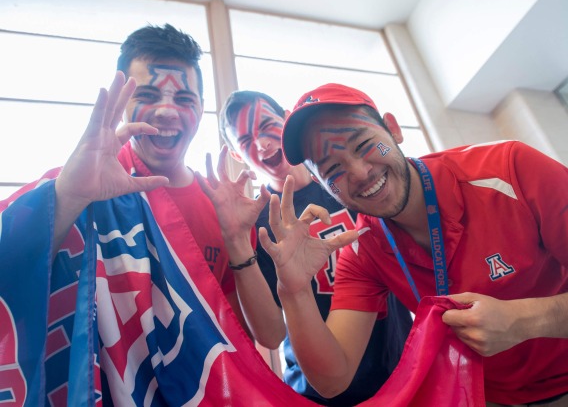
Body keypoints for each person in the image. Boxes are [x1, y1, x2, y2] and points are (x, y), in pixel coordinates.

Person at [0, 24, 316, 406]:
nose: (167, 111)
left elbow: (268, 334)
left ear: (200, 108)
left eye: (184, 98)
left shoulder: (220, 204)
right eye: (148, 95)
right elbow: (11, 270)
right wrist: (69, 196)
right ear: (122, 102)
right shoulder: (77, 181)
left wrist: (235, 240)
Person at [256, 83, 568, 406]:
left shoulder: (509, 170)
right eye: (333, 169)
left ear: (392, 129)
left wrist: (522, 321)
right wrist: (294, 291)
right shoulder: (364, 249)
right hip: (484, 394)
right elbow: (333, 379)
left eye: (363, 144)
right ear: (323, 185)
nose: (360, 173)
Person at [205, 90, 413, 406]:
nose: (261, 144)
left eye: (266, 125)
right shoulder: (256, 224)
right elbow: (271, 335)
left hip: (400, 368)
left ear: (288, 119)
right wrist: (234, 239)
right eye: (245, 140)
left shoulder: (347, 182)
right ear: (237, 156)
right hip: (318, 390)